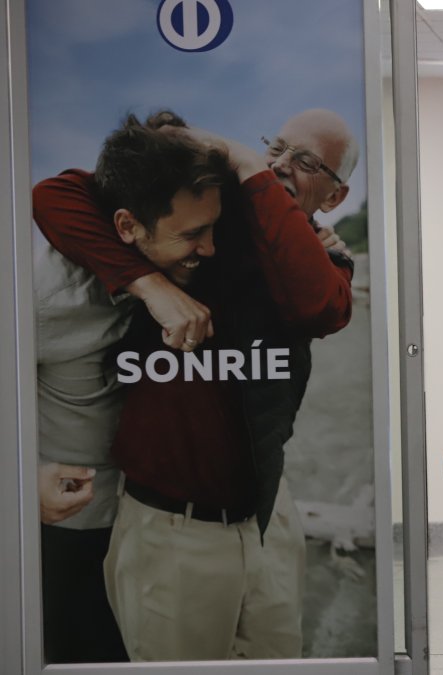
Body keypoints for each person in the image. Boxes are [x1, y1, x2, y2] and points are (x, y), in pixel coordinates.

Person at [31, 109, 356, 661]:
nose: (280, 166)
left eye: (305, 162)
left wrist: (253, 166)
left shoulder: (309, 254)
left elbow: (320, 306)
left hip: (268, 512)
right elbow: (54, 193)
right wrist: (152, 285)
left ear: (333, 197)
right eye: (273, 149)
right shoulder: (202, 223)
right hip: (162, 521)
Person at [32, 115, 231, 665]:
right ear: (126, 226)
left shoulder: (177, 256)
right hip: (78, 531)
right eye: (191, 235)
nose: (209, 248)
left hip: (157, 523)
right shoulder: (43, 296)